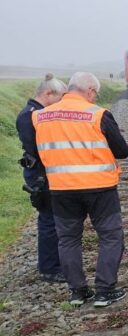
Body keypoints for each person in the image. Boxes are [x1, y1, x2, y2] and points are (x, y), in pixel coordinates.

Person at [32, 72, 128, 307]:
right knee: (110, 236)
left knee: (67, 239)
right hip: (100, 188)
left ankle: (78, 292)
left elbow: (37, 152)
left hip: (61, 189)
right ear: (90, 91)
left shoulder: (40, 117)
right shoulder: (98, 114)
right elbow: (121, 151)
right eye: (94, 93)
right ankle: (105, 291)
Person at [15, 74, 68, 284]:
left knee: (53, 219)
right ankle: (49, 269)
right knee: (49, 220)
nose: (62, 102)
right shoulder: (30, 116)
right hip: (40, 175)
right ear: (48, 94)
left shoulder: (37, 113)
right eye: (60, 97)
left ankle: (54, 263)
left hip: (44, 173)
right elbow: (37, 150)